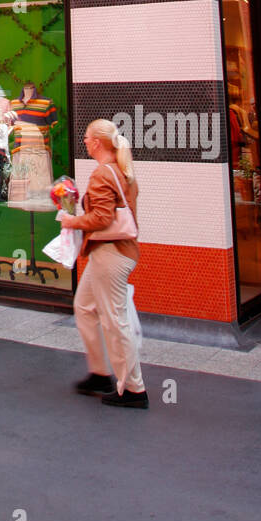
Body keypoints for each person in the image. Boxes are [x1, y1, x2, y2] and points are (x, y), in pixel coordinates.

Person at [59, 119, 148, 409]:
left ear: (97, 142)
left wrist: (72, 220)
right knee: (84, 307)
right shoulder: (123, 170)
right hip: (116, 252)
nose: (84, 141)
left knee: (114, 320)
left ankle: (134, 390)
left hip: (110, 254)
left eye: (86, 138)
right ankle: (99, 373)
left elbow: (102, 218)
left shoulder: (101, 173)